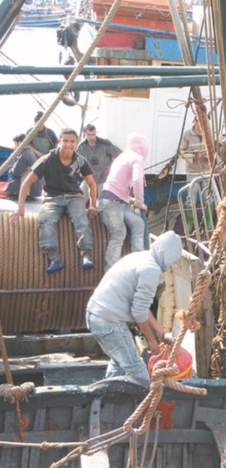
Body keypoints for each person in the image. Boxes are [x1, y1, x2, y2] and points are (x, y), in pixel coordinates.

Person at [86, 231, 182, 383]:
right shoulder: (151, 270)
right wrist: (152, 341)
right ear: (168, 256)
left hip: (95, 315)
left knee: (120, 362)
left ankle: (107, 400)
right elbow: (139, 312)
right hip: (108, 321)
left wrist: (161, 332)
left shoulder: (141, 257)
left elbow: (142, 308)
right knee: (136, 367)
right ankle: (147, 405)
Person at [10, 128, 97, 274]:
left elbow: (92, 184)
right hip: (52, 198)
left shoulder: (81, 161)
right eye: (65, 141)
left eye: (72, 141)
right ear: (59, 141)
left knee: (81, 220)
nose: (68, 144)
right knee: (45, 220)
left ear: (76, 143)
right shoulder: (47, 160)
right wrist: (20, 208)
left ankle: (86, 255)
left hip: (74, 197)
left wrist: (93, 205)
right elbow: (26, 183)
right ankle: (54, 258)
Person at [99, 134, 150, 272]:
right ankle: (110, 273)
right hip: (110, 202)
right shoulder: (137, 157)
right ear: (142, 148)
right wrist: (139, 202)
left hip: (119, 201)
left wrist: (131, 200)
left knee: (138, 223)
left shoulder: (123, 156)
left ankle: (138, 264)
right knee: (119, 232)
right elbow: (137, 180)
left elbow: (118, 186)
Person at [76, 124, 122, 193]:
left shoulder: (105, 143)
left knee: (103, 199)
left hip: (103, 177)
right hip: (89, 177)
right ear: (85, 134)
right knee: (81, 197)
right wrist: (80, 171)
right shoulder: (81, 146)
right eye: (89, 135)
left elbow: (120, 155)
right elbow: (76, 161)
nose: (92, 137)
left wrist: (112, 167)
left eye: (93, 134)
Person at [5, 133, 42, 200]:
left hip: (29, 191)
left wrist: (10, 169)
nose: (14, 146)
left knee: (12, 184)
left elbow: (16, 172)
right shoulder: (30, 153)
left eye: (15, 144)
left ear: (19, 142)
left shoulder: (25, 154)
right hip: (35, 190)